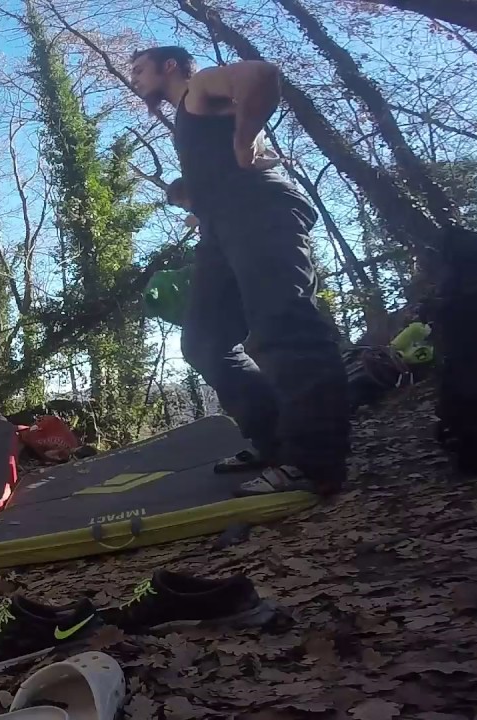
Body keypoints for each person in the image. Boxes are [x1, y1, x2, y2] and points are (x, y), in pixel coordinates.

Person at [129, 46, 349, 496]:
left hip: (261, 210)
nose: (133, 78)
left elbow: (261, 74)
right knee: (205, 342)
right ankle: (276, 444)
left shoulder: (198, 87)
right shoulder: (191, 114)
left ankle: (314, 463)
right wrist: (202, 208)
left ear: (169, 66)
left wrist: (245, 139)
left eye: (139, 69)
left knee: (284, 324)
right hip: (221, 227)